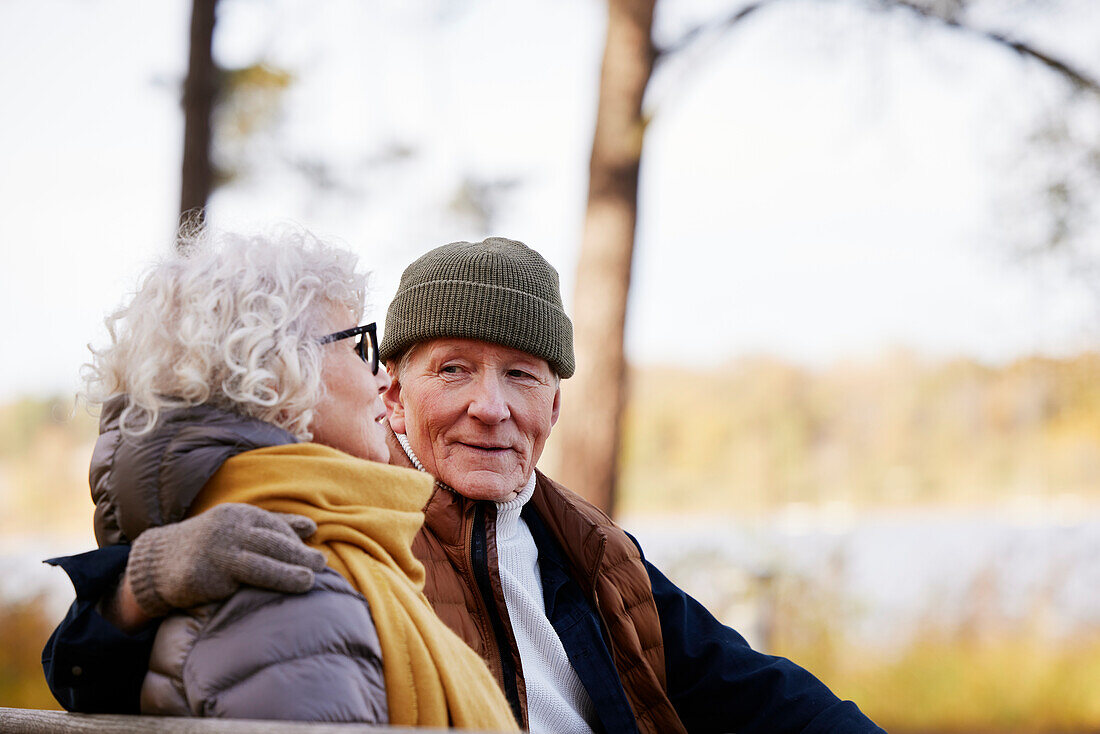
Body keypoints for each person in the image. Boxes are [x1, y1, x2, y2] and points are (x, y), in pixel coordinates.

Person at [46, 236, 884, 733]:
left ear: (556, 403)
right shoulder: (349, 528)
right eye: (454, 370)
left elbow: (753, 691)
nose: (492, 408)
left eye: (522, 375)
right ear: (393, 391)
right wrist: (131, 589)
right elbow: (100, 671)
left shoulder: (590, 551)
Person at [47, 228, 516, 730]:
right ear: (276, 373)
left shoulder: (256, 533)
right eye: (359, 349)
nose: (382, 379)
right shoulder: (288, 569)